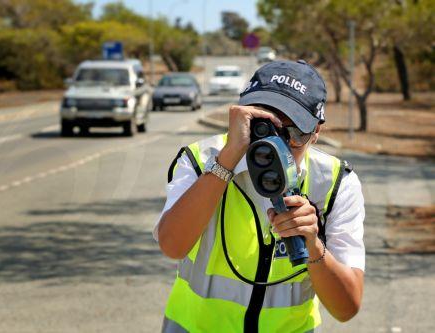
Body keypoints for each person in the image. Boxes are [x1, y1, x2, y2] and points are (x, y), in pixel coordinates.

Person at [154, 60, 365, 332]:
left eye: (294, 133)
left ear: (315, 133)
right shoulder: (200, 160)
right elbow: (172, 246)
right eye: (264, 126)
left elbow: (346, 308)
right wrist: (227, 160)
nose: (277, 145)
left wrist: (313, 245)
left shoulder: (335, 183)